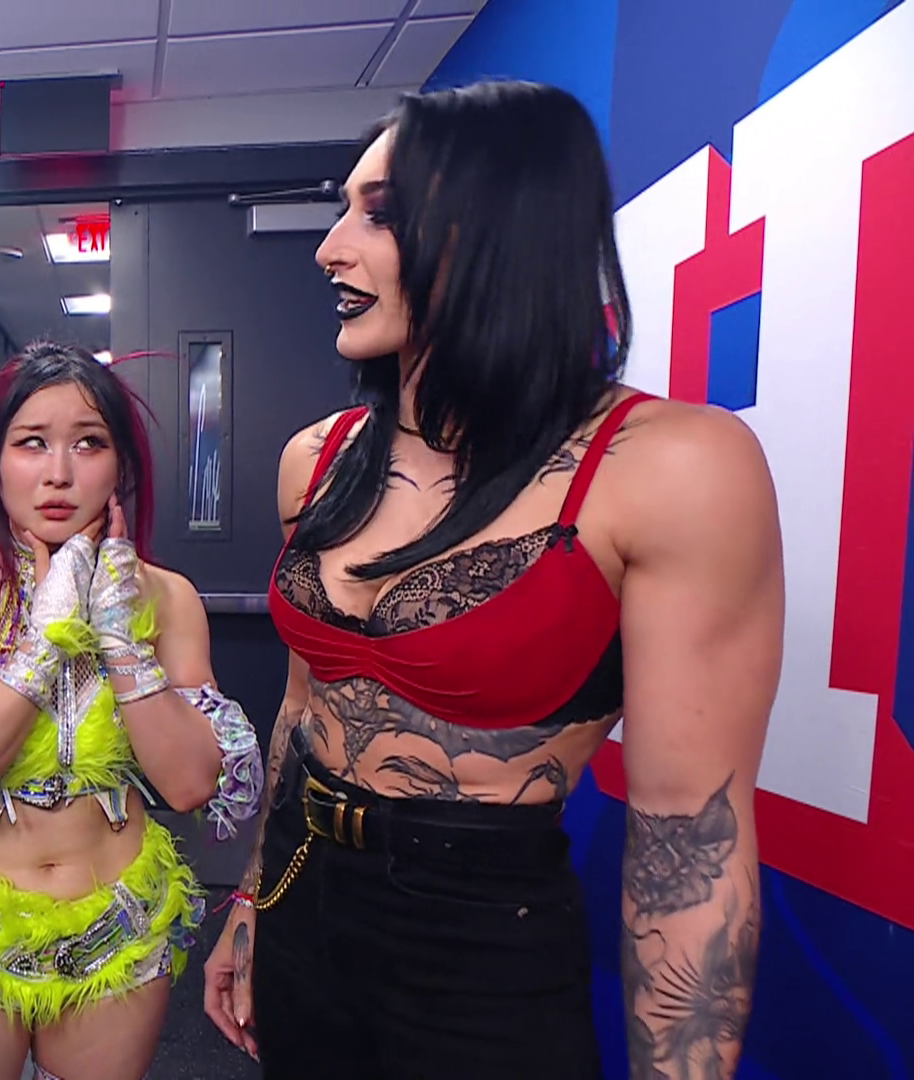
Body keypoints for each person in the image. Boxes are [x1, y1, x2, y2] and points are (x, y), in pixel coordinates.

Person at [201, 80, 783, 1079]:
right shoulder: (319, 458)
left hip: (478, 934)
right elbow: (303, 707)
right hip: (305, 889)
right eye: (342, 210)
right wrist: (253, 900)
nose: (330, 247)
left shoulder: (671, 466)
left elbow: (691, 837)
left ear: (501, 230)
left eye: (380, 214)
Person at [0, 342, 263, 1080]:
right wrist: (47, 635)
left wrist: (119, 635)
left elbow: (190, 782)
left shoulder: (167, 597)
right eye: (32, 443)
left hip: (118, 926)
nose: (58, 472)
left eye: (88, 443)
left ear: (122, 466)